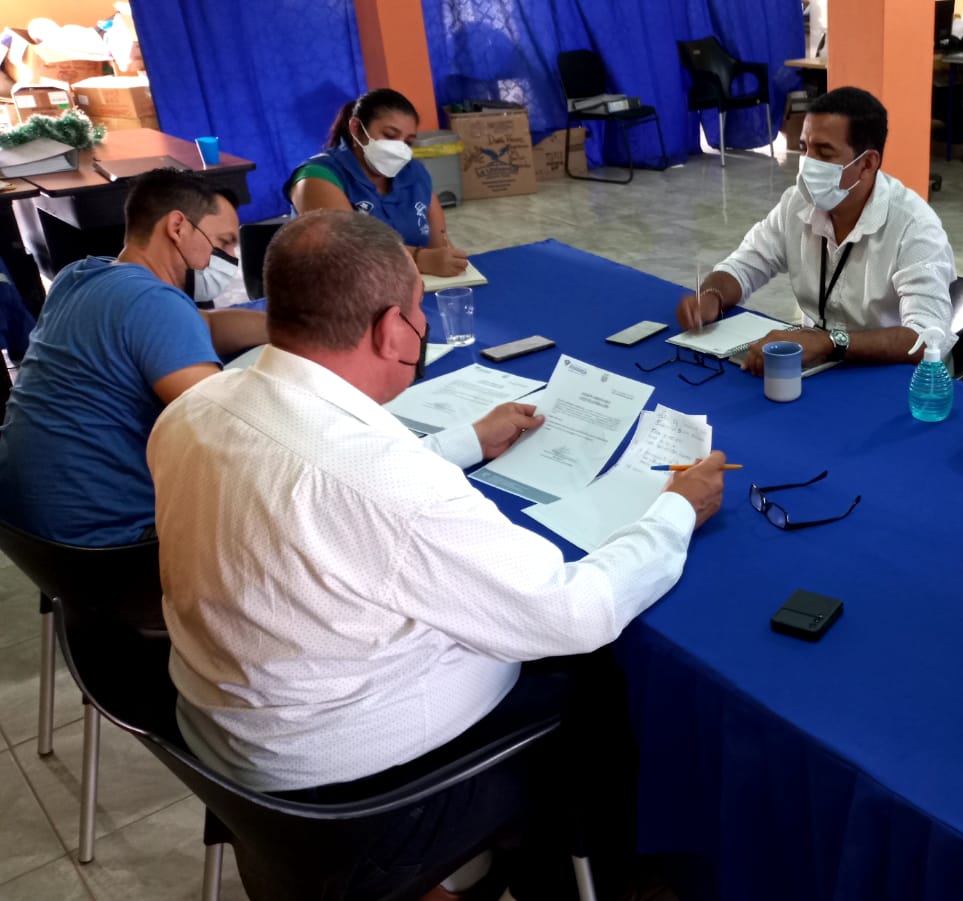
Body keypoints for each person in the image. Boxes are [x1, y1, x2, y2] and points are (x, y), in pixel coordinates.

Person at [150, 210, 726, 899]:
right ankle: (588, 876)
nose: (421, 326)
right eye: (419, 308)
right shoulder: (385, 485)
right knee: (598, 682)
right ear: (391, 329)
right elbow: (576, 611)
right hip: (355, 798)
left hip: (231, 751)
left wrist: (464, 441)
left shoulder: (196, 408)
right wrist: (675, 510)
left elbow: (324, 486)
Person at [0, 168, 266, 546]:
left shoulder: (78, 276)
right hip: (106, 541)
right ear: (178, 226)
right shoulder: (154, 302)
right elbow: (227, 429)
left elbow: (199, 324)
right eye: (222, 242)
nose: (228, 258)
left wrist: (288, 325)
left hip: (24, 530)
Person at [677, 86, 955, 376]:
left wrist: (829, 343)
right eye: (804, 148)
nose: (808, 163)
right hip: (818, 363)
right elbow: (744, 265)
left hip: (891, 373)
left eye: (824, 152)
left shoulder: (914, 226)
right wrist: (711, 296)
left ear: (867, 164)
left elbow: (926, 339)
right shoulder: (797, 204)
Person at [285, 88, 470, 278]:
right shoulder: (316, 177)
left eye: (408, 142)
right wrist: (421, 259)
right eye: (389, 135)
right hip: (337, 288)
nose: (399, 148)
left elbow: (440, 246)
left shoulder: (415, 174)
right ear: (355, 128)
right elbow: (344, 248)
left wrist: (450, 262)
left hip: (409, 285)